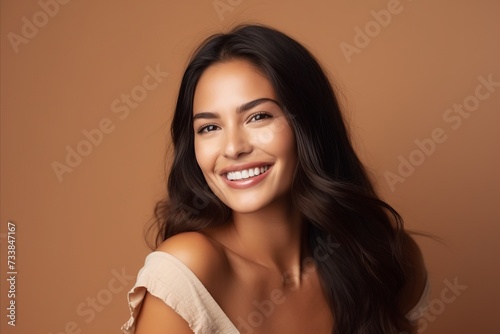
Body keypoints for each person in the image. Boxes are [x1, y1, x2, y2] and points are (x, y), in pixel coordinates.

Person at [121, 24, 428, 334]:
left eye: (258, 117)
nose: (233, 148)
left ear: (308, 125)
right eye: (209, 128)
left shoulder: (383, 256)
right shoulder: (186, 271)